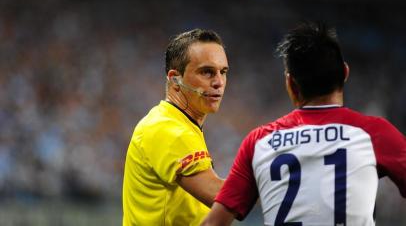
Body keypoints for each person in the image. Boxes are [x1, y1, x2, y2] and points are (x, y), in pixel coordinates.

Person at [202, 22, 406, 226]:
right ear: (344, 73)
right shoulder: (373, 132)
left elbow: (213, 224)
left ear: (290, 83)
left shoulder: (259, 142)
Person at [122, 28, 229, 226]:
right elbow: (223, 197)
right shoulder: (168, 130)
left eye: (223, 72)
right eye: (207, 72)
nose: (218, 82)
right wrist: (277, 174)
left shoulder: (179, 124)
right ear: (175, 79)